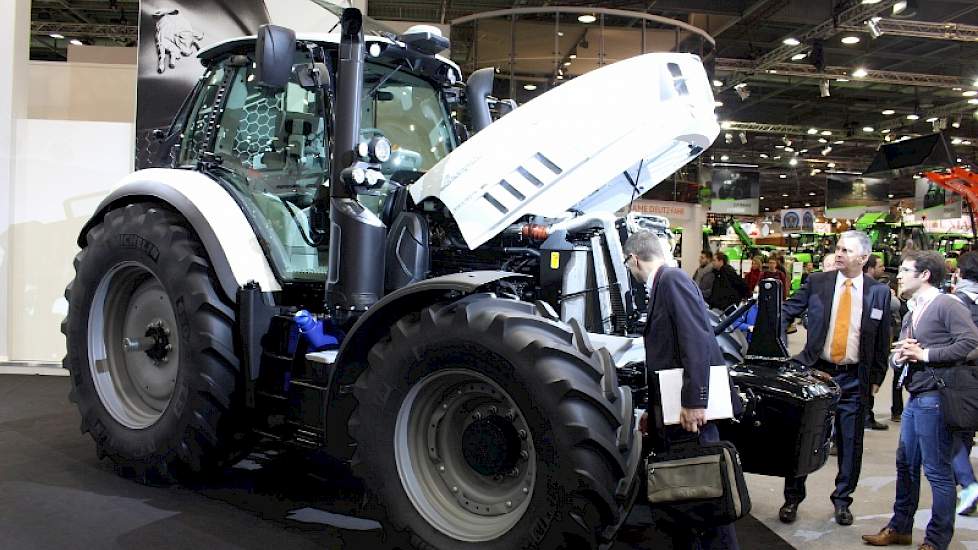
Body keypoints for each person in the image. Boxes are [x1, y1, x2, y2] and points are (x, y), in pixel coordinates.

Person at [623, 230, 741, 550]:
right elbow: (670, 353)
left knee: (708, 496)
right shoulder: (666, 283)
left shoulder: (672, 280)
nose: (630, 271)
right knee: (688, 498)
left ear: (634, 258)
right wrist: (654, 409)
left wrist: (694, 401)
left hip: (690, 415)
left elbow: (696, 340)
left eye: (628, 264)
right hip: (675, 411)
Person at [863, 251, 978, 550]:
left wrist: (925, 354)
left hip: (937, 397)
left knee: (938, 471)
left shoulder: (946, 305)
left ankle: (936, 541)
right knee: (906, 464)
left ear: (925, 275)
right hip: (917, 397)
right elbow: (903, 353)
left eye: (905, 270)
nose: (898, 275)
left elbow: (971, 342)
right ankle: (900, 528)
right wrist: (900, 357)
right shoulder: (914, 310)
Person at [777, 231, 892, 527]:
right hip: (815, 373)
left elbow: (882, 339)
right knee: (802, 438)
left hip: (854, 379)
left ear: (863, 258)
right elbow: (787, 311)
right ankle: (792, 498)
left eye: (846, 250)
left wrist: (877, 376)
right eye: (837, 248)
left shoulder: (878, 293)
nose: (838, 253)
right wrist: (766, 329)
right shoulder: (818, 283)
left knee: (851, 443)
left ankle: (842, 501)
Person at [951, 251, 978, 515]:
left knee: (950, 436)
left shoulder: (955, 303)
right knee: (964, 433)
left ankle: (968, 485)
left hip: (960, 377)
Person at [863, 254, 891, 432]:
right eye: (880, 266)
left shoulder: (881, 291)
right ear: (870, 268)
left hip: (873, 354)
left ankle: (867, 416)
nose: (883, 269)